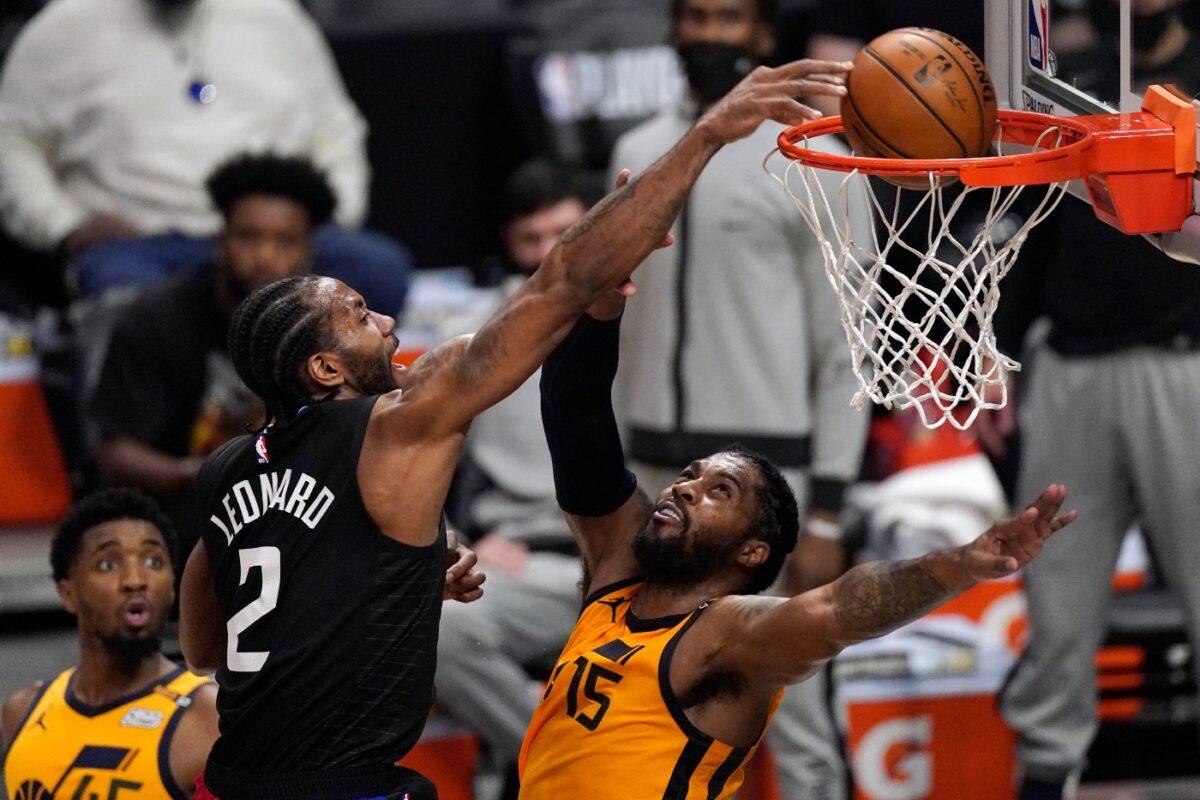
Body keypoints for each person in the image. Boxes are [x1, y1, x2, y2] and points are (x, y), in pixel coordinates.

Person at [176, 56, 855, 800]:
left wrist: (382, 576)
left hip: (233, 781)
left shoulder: (228, 468)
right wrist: (706, 136)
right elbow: (559, 283)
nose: (389, 323)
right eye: (361, 318)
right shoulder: (397, 428)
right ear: (326, 371)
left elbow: (205, 644)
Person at [516, 278, 1077, 799]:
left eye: (720, 492)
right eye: (690, 476)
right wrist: (602, 308)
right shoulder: (616, 578)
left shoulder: (726, 636)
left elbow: (842, 607)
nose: (686, 490)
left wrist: (961, 564)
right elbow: (575, 412)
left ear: (751, 552)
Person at [610, 1, 872, 795]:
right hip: (651, 472)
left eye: (730, 18)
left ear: (763, 36)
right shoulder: (639, 147)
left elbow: (848, 346)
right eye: (696, 16)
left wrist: (826, 506)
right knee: (645, 698)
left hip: (769, 481)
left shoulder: (810, 154)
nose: (709, 34)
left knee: (793, 704)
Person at [974, 3, 1200, 797]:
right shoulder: (1078, 90)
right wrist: (997, 344)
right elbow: (1034, 230)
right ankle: (1047, 775)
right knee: (1058, 602)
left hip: (1185, 367)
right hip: (1071, 368)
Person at [0, 0, 412, 314]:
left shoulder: (276, 17)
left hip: (274, 235)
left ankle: (325, 425)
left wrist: (331, 213)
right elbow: (11, 141)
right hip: (145, 246)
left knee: (376, 269)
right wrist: (64, 226)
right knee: (124, 299)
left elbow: (335, 129)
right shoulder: (63, 28)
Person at [89, 152, 341, 563]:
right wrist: (198, 473)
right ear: (221, 239)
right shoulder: (156, 320)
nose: (264, 255)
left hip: (290, 505)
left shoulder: (326, 329)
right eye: (249, 237)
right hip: (180, 509)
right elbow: (116, 456)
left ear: (307, 250)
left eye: (283, 241)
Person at [435, 159, 589, 793]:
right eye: (533, 238)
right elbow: (417, 460)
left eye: (565, 230)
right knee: (432, 623)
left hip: (635, 556)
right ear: (509, 244)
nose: (551, 252)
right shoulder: (470, 340)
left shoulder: (657, 322)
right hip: (525, 559)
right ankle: (577, 775)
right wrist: (457, 538)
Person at [2, 488, 218, 800]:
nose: (135, 579)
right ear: (68, 594)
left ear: (173, 586)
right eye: (108, 564)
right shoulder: (22, 711)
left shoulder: (206, 718)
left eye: (153, 560)